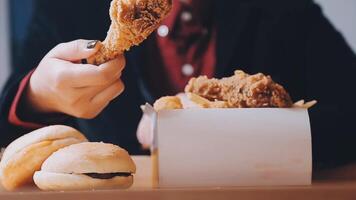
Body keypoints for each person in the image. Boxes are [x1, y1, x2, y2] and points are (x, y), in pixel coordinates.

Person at [0, 0, 355, 168]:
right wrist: (39, 94)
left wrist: (233, 133)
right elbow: (7, 128)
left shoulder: (286, 12)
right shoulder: (67, 10)